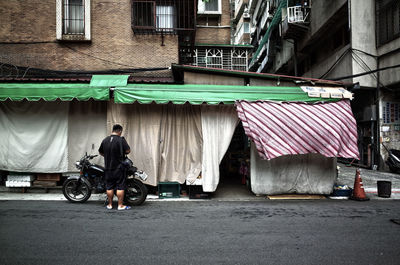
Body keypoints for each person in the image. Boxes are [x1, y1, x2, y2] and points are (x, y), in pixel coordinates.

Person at [99, 124, 131, 210]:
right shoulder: (121, 140)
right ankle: (120, 205)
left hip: (108, 167)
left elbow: (101, 152)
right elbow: (128, 150)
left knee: (109, 186)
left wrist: (108, 156)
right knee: (120, 186)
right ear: (120, 131)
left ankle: (110, 205)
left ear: (113, 130)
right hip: (119, 168)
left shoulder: (105, 140)